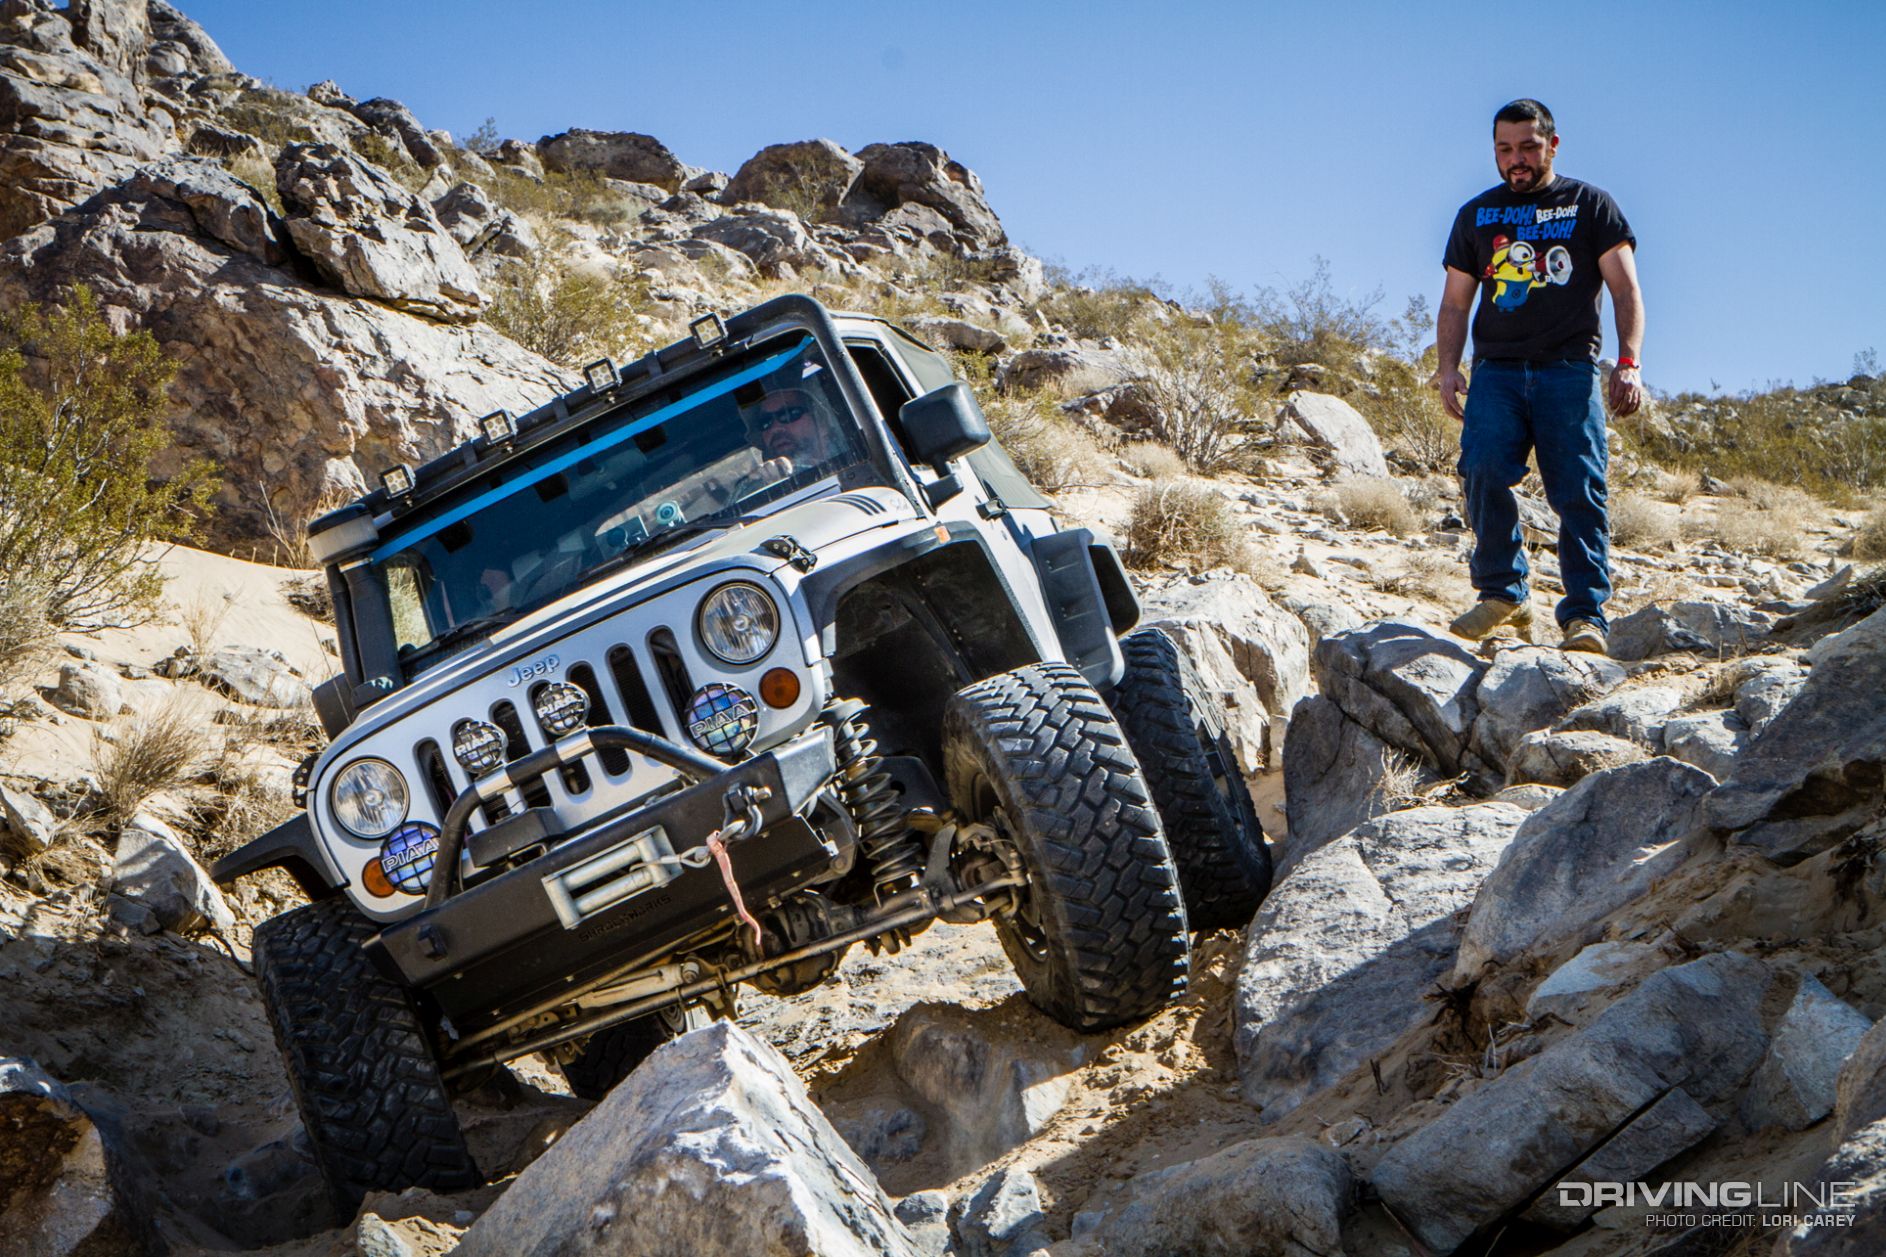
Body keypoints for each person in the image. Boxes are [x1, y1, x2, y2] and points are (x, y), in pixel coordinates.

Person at [1431, 98, 1645, 656]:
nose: (1516, 160)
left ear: (1552, 144)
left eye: (1527, 147)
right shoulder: (1476, 214)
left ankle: (1585, 616)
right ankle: (1504, 593)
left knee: (1578, 491)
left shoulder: (1590, 205)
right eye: (1505, 149)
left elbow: (1624, 290)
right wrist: (1447, 368)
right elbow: (1455, 303)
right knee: (1479, 470)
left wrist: (1629, 362)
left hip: (1568, 370)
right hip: (1496, 371)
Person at [731, 386, 840, 499]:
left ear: (821, 423)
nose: (775, 428)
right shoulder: (752, 493)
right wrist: (766, 491)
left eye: (788, 414)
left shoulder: (852, 465)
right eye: (765, 422)